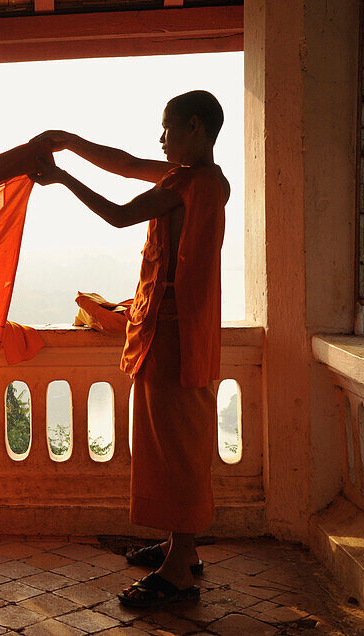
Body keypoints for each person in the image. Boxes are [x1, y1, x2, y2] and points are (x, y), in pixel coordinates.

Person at [28, 90, 229, 608]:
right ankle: (179, 547)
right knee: (174, 443)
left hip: (174, 331)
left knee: (177, 447)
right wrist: (70, 143)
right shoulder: (202, 178)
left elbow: (119, 214)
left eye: (167, 129)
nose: (160, 140)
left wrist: (63, 178)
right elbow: (126, 164)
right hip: (182, 328)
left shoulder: (188, 183)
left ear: (193, 126)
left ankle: (179, 571)